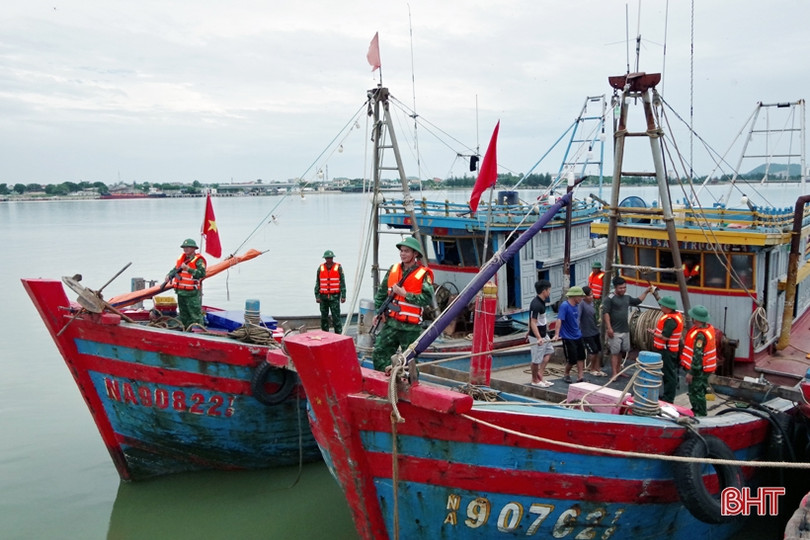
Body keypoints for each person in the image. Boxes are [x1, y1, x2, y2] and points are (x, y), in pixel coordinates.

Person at [372, 237, 434, 372]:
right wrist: (378, 312)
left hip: (410, 328)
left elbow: (427, 299)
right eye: (401, 251)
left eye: (406, 251)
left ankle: (410, 389)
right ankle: (384, 384)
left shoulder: (423, 274)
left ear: (415, 254)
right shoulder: (393, 270)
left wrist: (406, 295)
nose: (403, 254)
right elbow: (382, 294)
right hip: (391, 323)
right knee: (379, 353)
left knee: (409, 361)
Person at [602, 276, 654, 378]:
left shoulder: (627, 297)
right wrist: (609, 328)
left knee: (622, 351)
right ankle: (614, 373)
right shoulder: (609, 299)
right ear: (615, 287)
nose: (623, 290)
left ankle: (619, 371)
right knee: (614, 352)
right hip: (615, 331)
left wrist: (646, 291)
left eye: (624, 287)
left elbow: (637, 301)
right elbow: (606, 313)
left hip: (625, 330)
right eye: (620, 288)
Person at [680, 305, 717, 417]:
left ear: (696, 319)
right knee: (701, 390)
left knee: (696, 392)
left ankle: (699, 413)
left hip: (699, 370)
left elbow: (697, 356)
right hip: (706, 368)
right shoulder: (708, 329)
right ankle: (697, 409)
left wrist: (691, 372)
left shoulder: (700, 335)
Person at [165, 238, 207, 329]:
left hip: (191, 293)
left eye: (188, 247)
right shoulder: (182, 259)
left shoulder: (199, 260)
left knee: (195, 314)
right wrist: (169, 275)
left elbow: (202, 274)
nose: (185, 249)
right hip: (180, 292)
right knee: (183, 315)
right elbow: (175, 269)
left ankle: (200, 332)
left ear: (193, 248)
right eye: (184, 247)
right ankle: (186, 330)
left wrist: (189, 269)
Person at [648, 296, 684, 403]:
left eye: (662, 305)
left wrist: (653, 333)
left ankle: (668, 398)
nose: (661, 307)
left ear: (668, 308)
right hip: (667, 350)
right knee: (667, 374)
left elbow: (665, 337)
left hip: (667, 351)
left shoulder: (670, 320)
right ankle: (667, 396)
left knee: (669, 375)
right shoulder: (674, 317)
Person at [528, 279, 555, 388]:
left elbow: (536, 320)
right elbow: (533, 322)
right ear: (544, 291)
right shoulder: (536, 304)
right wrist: (538, 338)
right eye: (549, 290)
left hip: (544, 334)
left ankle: (540, 375)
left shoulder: (542, 302)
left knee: (549, 351)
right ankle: (535, 380)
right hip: (537, 336)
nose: (549, 292)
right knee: (536, 360)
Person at [558, 286, 587, 383]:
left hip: (577, 335)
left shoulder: (577, 306)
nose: (582, 299)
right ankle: (566, 374)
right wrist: (556, 334)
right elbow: (559, 320)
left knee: (581, 356)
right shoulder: (565, 306)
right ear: (575, 296)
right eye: (580, 297)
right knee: (572, 359)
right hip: (568, 336)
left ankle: (580, 376)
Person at [315, 250, 346, 333]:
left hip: (334, 297)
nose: (329, 260)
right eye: (327, 258)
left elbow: (342, 282)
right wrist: (317, 296)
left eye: (330, 258)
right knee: (324, 317)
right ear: (325, 258)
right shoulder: (320, 268)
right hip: (323, 297)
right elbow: (318, 282)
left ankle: (338, 335)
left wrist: (343, 295)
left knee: (336, 317)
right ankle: (325, 334)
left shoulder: (338, 267)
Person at [579, 286, 605, 376]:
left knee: (598, 351)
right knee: (593, 352)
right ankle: (592, 369)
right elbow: (578, 318)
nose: (591, 296)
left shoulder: (592, 303)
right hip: (586, 333)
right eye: (589, 295)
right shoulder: (581, 304)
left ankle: (598, 369)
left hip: (595, 331)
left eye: (592, 294)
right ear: (584, 297)